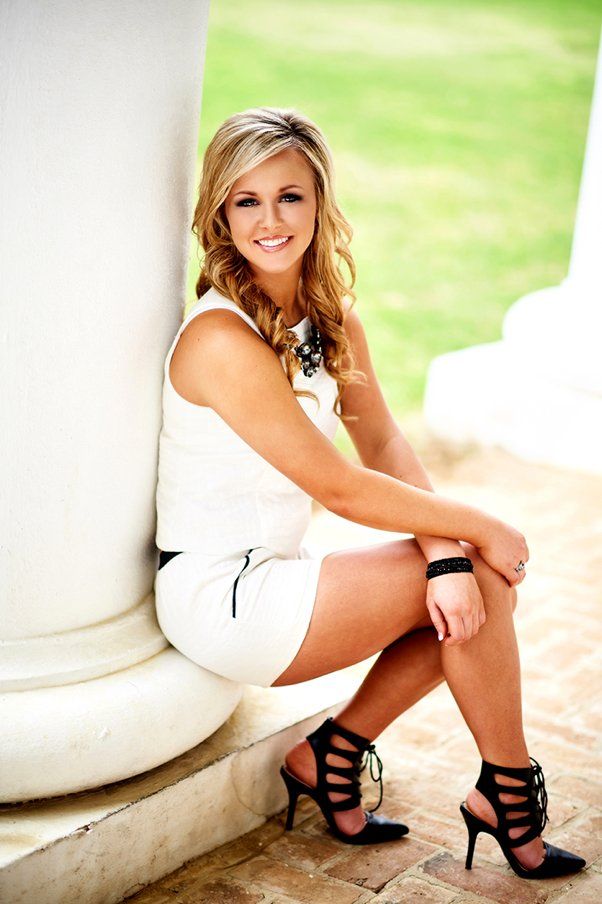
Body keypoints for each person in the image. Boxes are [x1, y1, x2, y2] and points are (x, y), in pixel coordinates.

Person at [153, 106, 585, 879]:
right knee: (478, 578)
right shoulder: (220, 340)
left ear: (319, 202)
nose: (270, 219)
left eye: (289, 195)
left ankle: (336, 758)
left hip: (277, 570)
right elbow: (339, 485)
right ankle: (507, 792)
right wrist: (476, 529)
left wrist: (446, 551)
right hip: (226, 595)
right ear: (220, 212)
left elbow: (382, 442)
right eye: (245, 201)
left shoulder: (328, 319)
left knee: (469, 588)